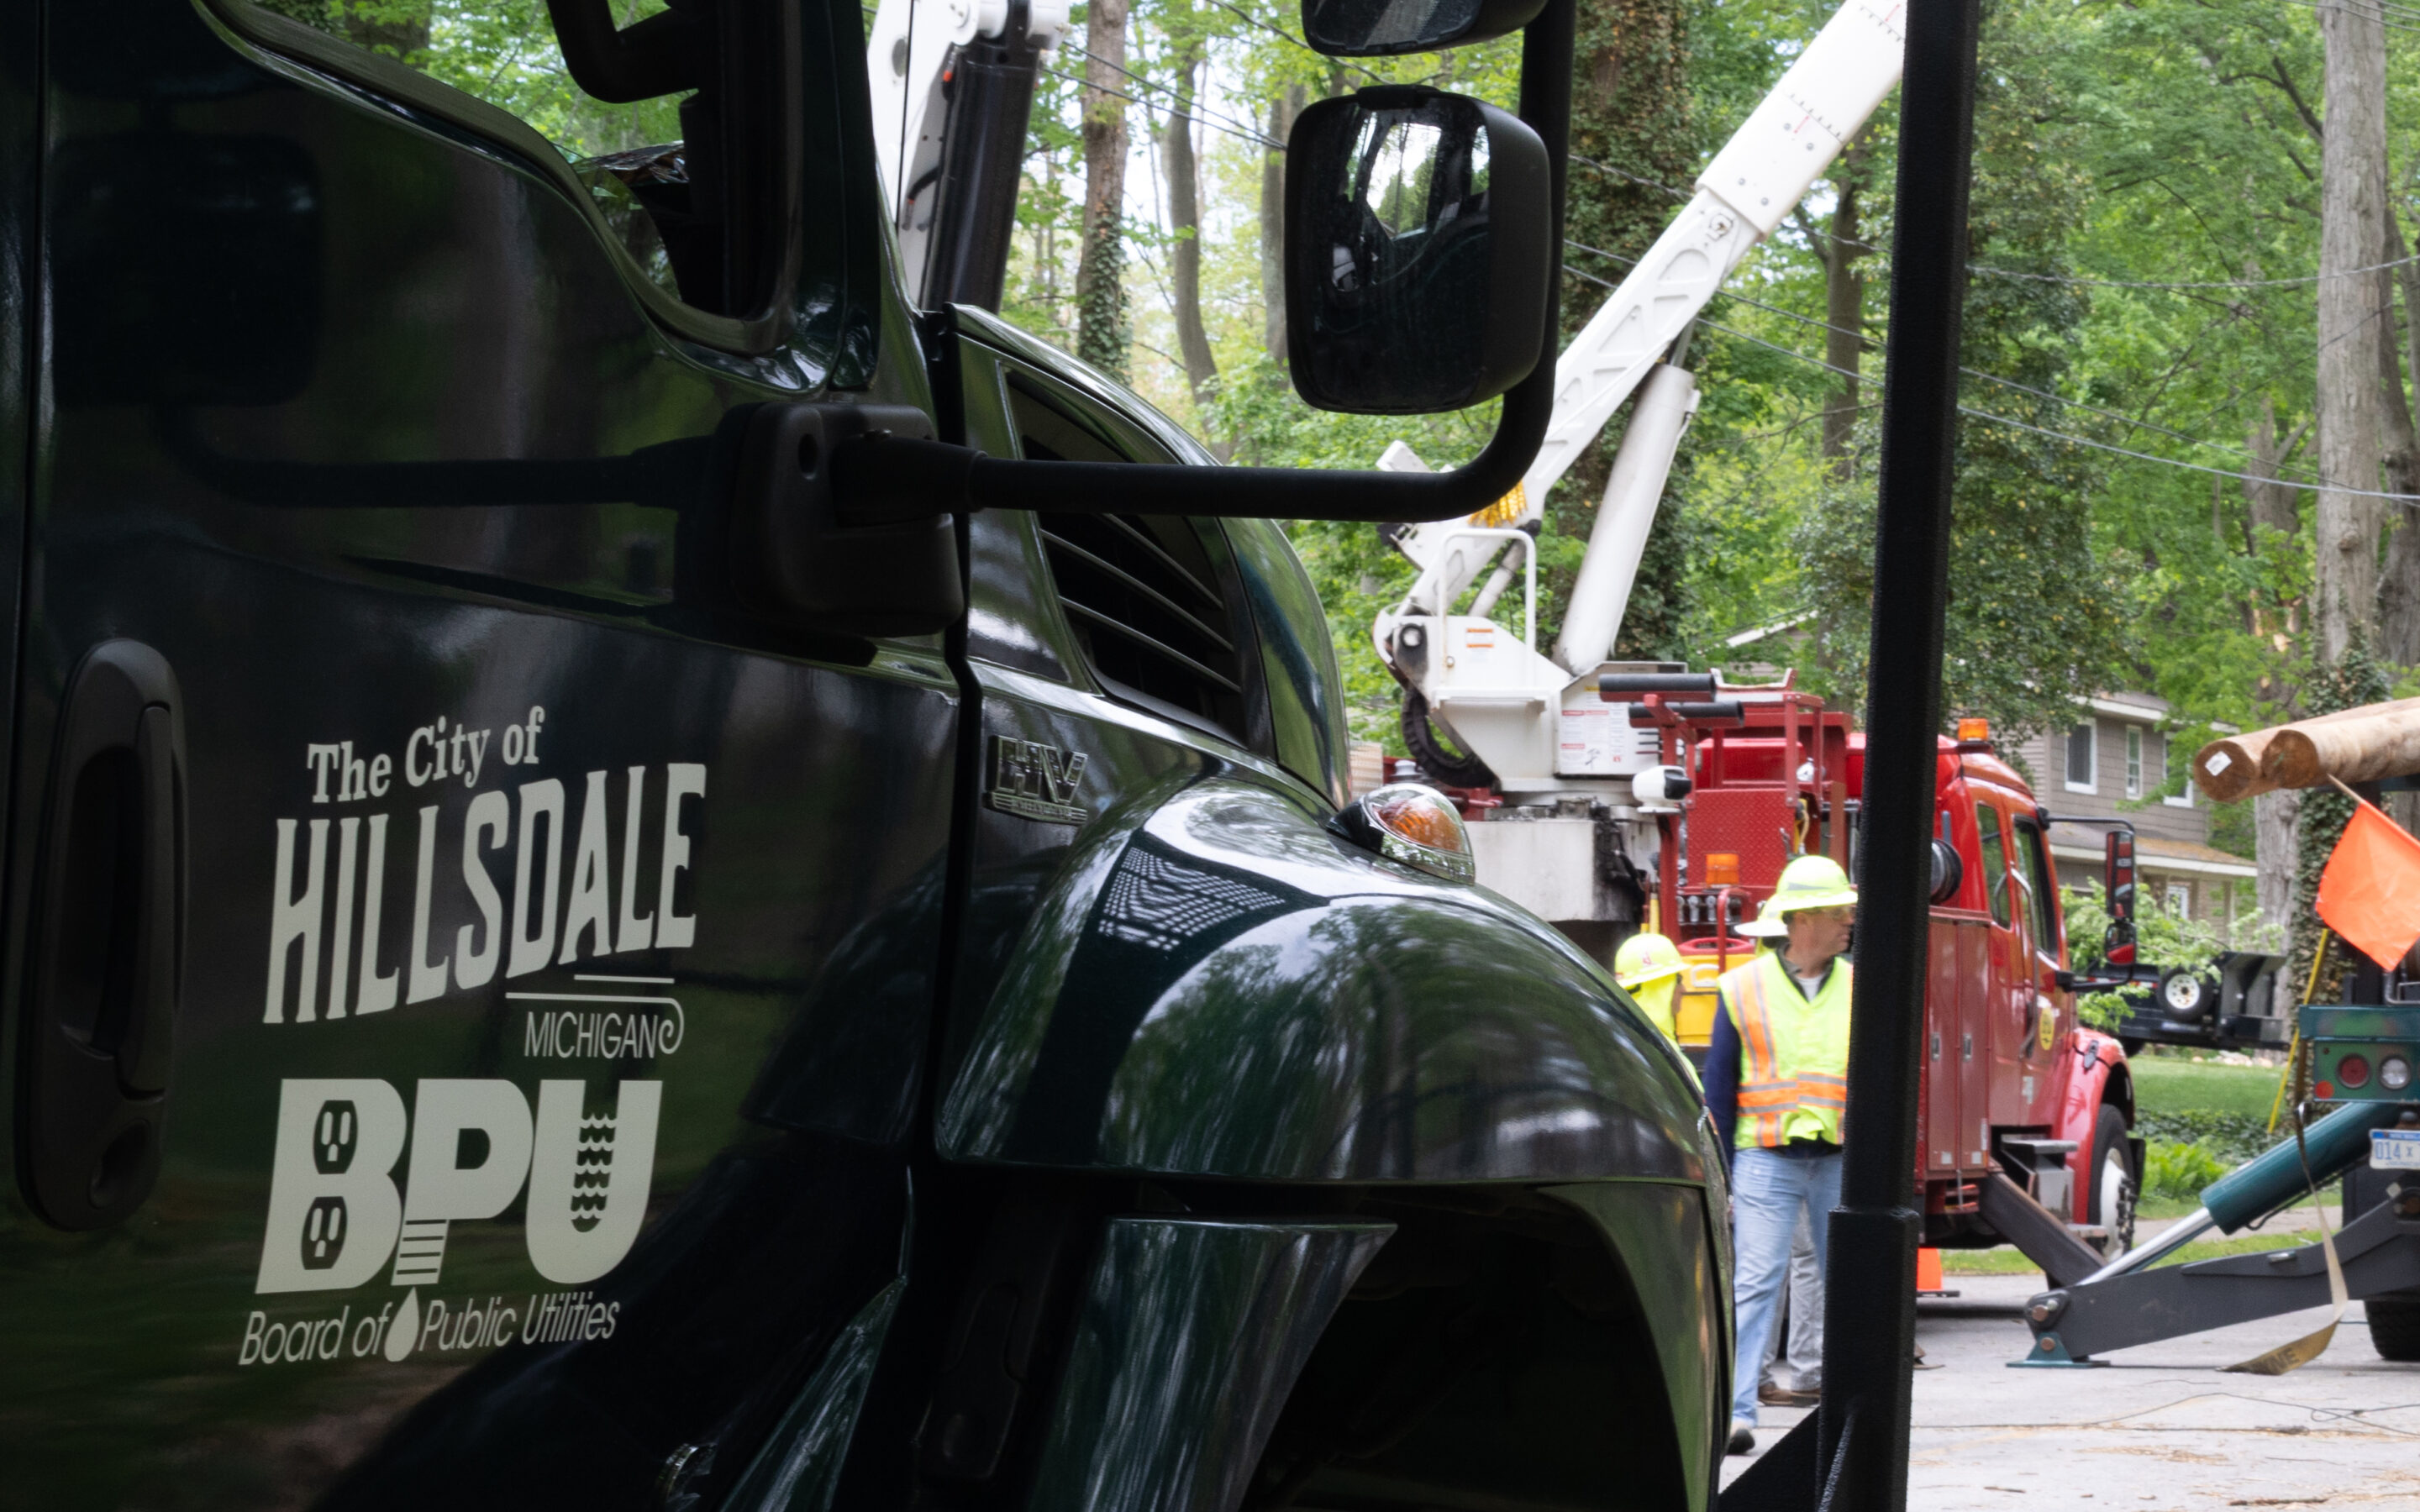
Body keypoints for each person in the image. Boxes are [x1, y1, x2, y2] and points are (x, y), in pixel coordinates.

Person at [1702, 854, 1857, 1455]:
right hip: (1765, 1159)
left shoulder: (1859, 987)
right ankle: (1736, 1415)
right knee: (1755, 1285)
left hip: (1837, 1159)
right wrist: (1722, 1174)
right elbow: (1719, 1090)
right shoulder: (1743, 988)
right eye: (1839, 911)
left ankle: (1852, 1412)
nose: (1849, 921)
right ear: (1803, 919)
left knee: (1847, 1287)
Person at [1612, 931, 1686, 1040]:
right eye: (1678, 980)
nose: (1684, 989)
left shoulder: (1620, 1036)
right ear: (1657, 987)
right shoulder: (1655, 1046)